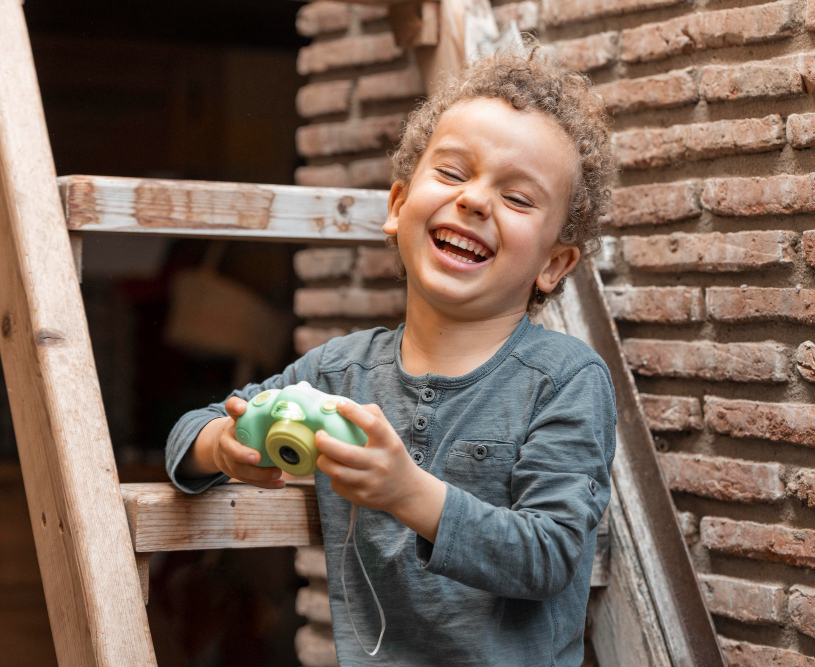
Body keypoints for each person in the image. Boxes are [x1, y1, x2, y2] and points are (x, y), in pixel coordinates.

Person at [166, 45, 617, 666]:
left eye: (517, 198)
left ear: (553, 264)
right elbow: (189, 432)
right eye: (454, 173)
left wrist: (409, 493)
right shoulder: (338, 373)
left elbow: (551, 554)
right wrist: (224, 444)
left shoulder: (566, 380)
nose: (476, 200)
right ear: (399, 206)